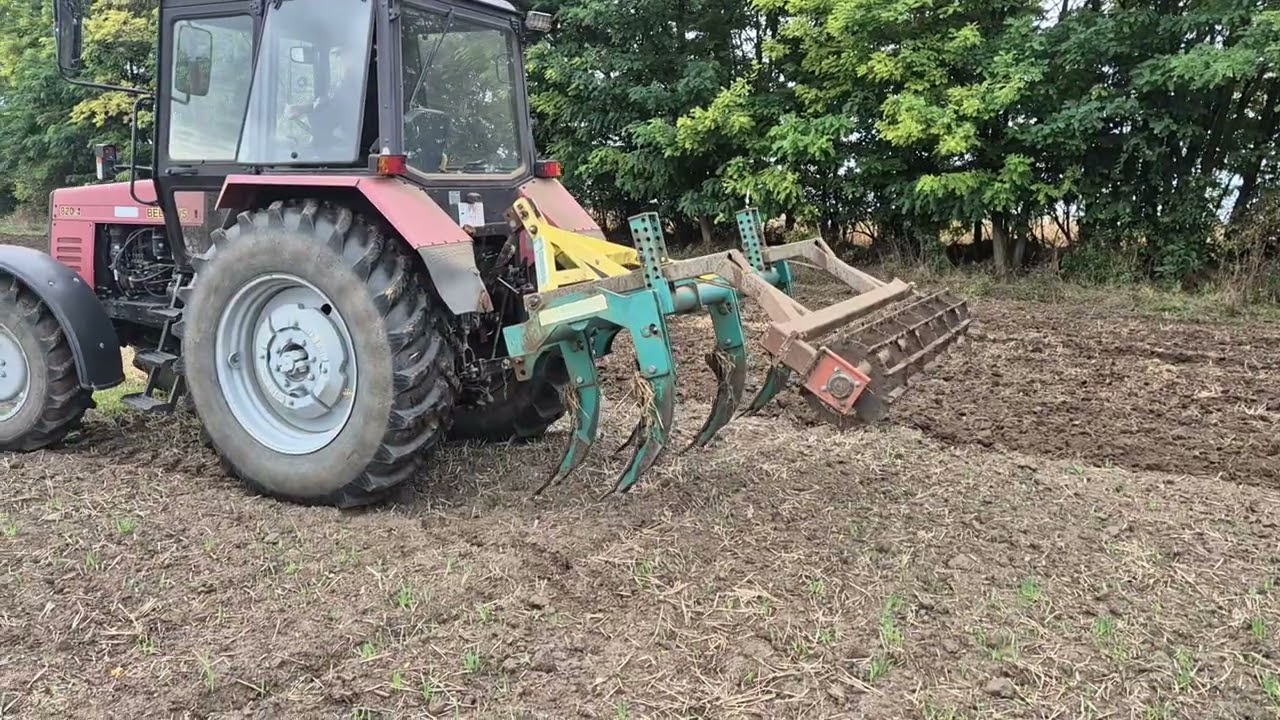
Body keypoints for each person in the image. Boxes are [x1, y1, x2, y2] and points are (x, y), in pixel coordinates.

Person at [286, 44, 363, 144]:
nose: (342, 61)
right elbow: (332, 103)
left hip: (352, 144)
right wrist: (304, 108)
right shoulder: (348, 84)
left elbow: (328, 117)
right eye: (341, 56)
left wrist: (308, 109)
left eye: (344, 55)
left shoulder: (352, 84)